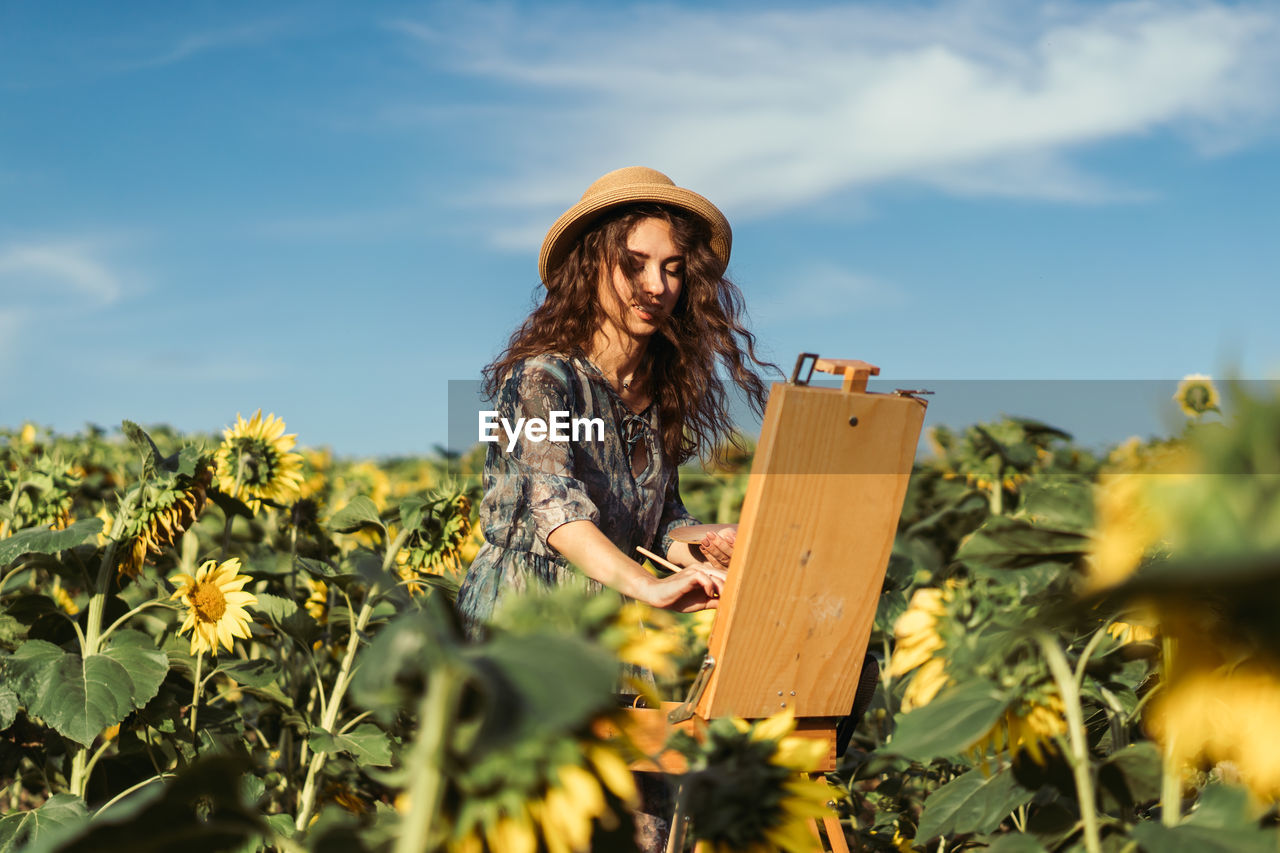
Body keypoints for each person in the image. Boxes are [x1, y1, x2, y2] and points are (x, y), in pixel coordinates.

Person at [455, 166, 776, 848]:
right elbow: (555, 509)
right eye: (634, 265)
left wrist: (707, 539)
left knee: (644, 828)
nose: (656, 286)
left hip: (618, 638)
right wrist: (647, 584)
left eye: (672, 268)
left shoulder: (659, 394)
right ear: (591, 267)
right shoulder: (540, 379)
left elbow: (661, 522)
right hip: (527, 634)